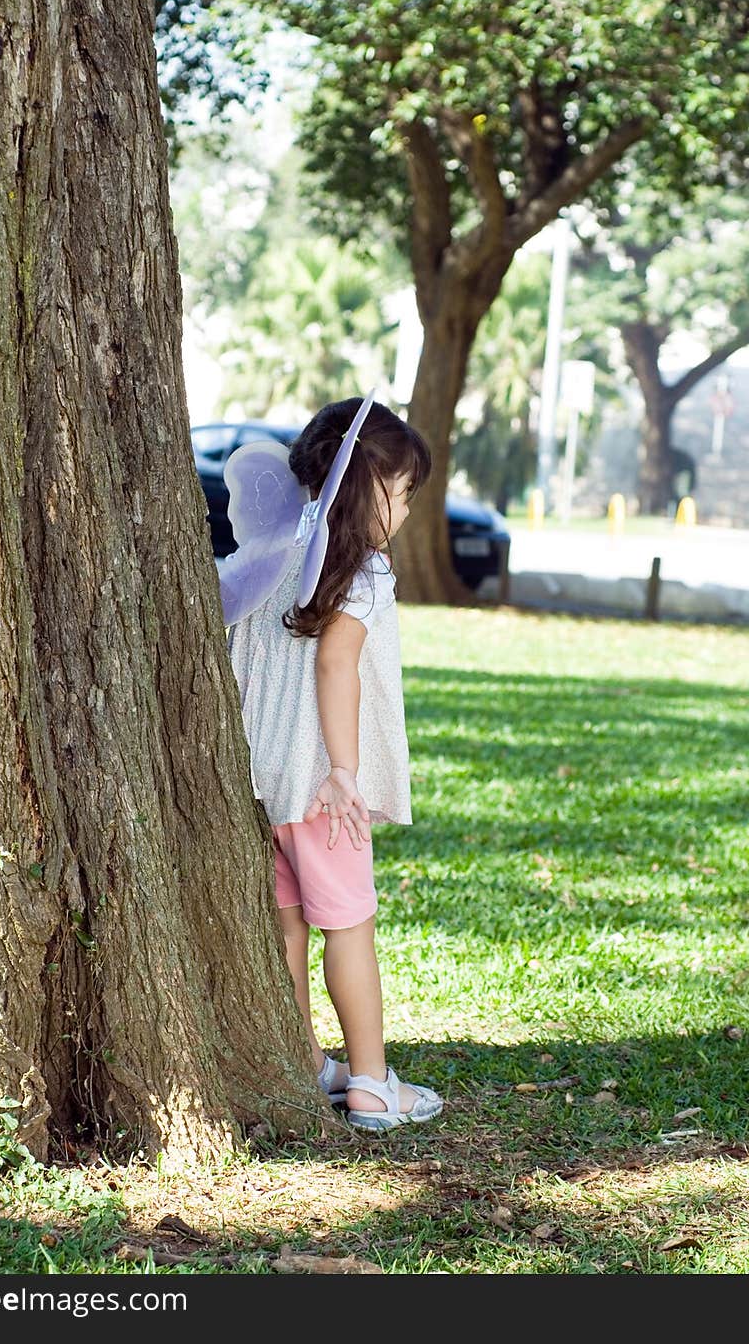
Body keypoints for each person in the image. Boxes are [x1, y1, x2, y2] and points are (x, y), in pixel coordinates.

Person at [225, 397, 443, 1131]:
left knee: (286, 927)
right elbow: (336, 669)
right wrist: (344, 770)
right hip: (323, 790)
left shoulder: (274, 555)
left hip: (261, 783)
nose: (408, 510)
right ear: (370, 485)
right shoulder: (363, 571)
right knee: (350, 927)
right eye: (405, 493)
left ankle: (305, 1062)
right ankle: (372, 1085)